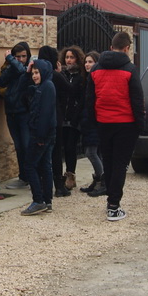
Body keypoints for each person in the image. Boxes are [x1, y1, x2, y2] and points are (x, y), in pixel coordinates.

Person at [85, 32, 145, 221]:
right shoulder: (130, 69)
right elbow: (137, 100)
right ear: (127, 48)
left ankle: (110, 201)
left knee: (109, 162)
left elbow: (90, 99)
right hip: (126, 124)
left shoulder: (95, 69)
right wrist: (140, 124)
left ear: (111, 47)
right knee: (120, 164)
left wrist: (94, 122)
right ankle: (113, 205)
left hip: (104, 123)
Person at [21, 58, 57, 215]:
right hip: (42, 133)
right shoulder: (40, 87)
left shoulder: (47, 86)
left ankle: (38, 200)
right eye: (33, 73)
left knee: (29, 165)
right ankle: (47, 200)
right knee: (44, 165)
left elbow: (45, 113)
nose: (34, 76)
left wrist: (41, 137)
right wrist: (27, 73)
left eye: (37, 72)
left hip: (41, 134)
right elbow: (22, 91)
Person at [0, 41, 32, 190]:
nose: (21, 59)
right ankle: (23, 177)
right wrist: (11, 64)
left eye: (24, 56)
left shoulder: (30, 68)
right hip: (11, 112)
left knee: (27, 145)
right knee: (19, 146)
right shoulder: (12, 68)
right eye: (18, 56)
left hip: (24, 113)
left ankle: (33, 176)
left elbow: (23, 71)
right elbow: (0, 81)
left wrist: (11, 59)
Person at [37, 45, 69, 197]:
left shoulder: (36, 74)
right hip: (55, 117)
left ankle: (42, 184)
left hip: (39, 118)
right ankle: (59, 185)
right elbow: (69, 89)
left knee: (41, 153)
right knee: (56, 153)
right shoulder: (54, 75)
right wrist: (60, 72)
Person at [58, 46, 86, 194]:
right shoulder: (62, 74)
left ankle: (70, 174)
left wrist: (76, 116)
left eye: (72, 57)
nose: (69, 60)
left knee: (71, 147)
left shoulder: (80, 76)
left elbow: (80, 98)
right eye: (67, 57)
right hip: (62, 115)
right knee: (61, 146)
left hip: (74, 117)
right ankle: (61, 175)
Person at [79, 51, 105, 196]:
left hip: (95, 121)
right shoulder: (86, 79)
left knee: (91, 152)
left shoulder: (97, 80)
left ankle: (102, 180)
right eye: (86, 62)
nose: (87, 64)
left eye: (90, 62)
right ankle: (98, 179)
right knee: (95, 153)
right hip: (88, 121)